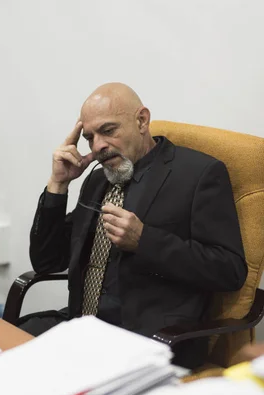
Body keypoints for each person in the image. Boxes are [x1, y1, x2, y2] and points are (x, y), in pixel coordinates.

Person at [20, 83, 247, 367]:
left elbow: (230, 270)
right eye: (89, 138)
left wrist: (145, 241)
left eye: (108, 130)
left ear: (141, 120)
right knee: (6, 349)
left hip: (148, 340)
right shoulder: (97, 178)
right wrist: (58, 185)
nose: (98, 146)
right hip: (82, 328)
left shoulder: (199, 174)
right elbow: (47, 261)